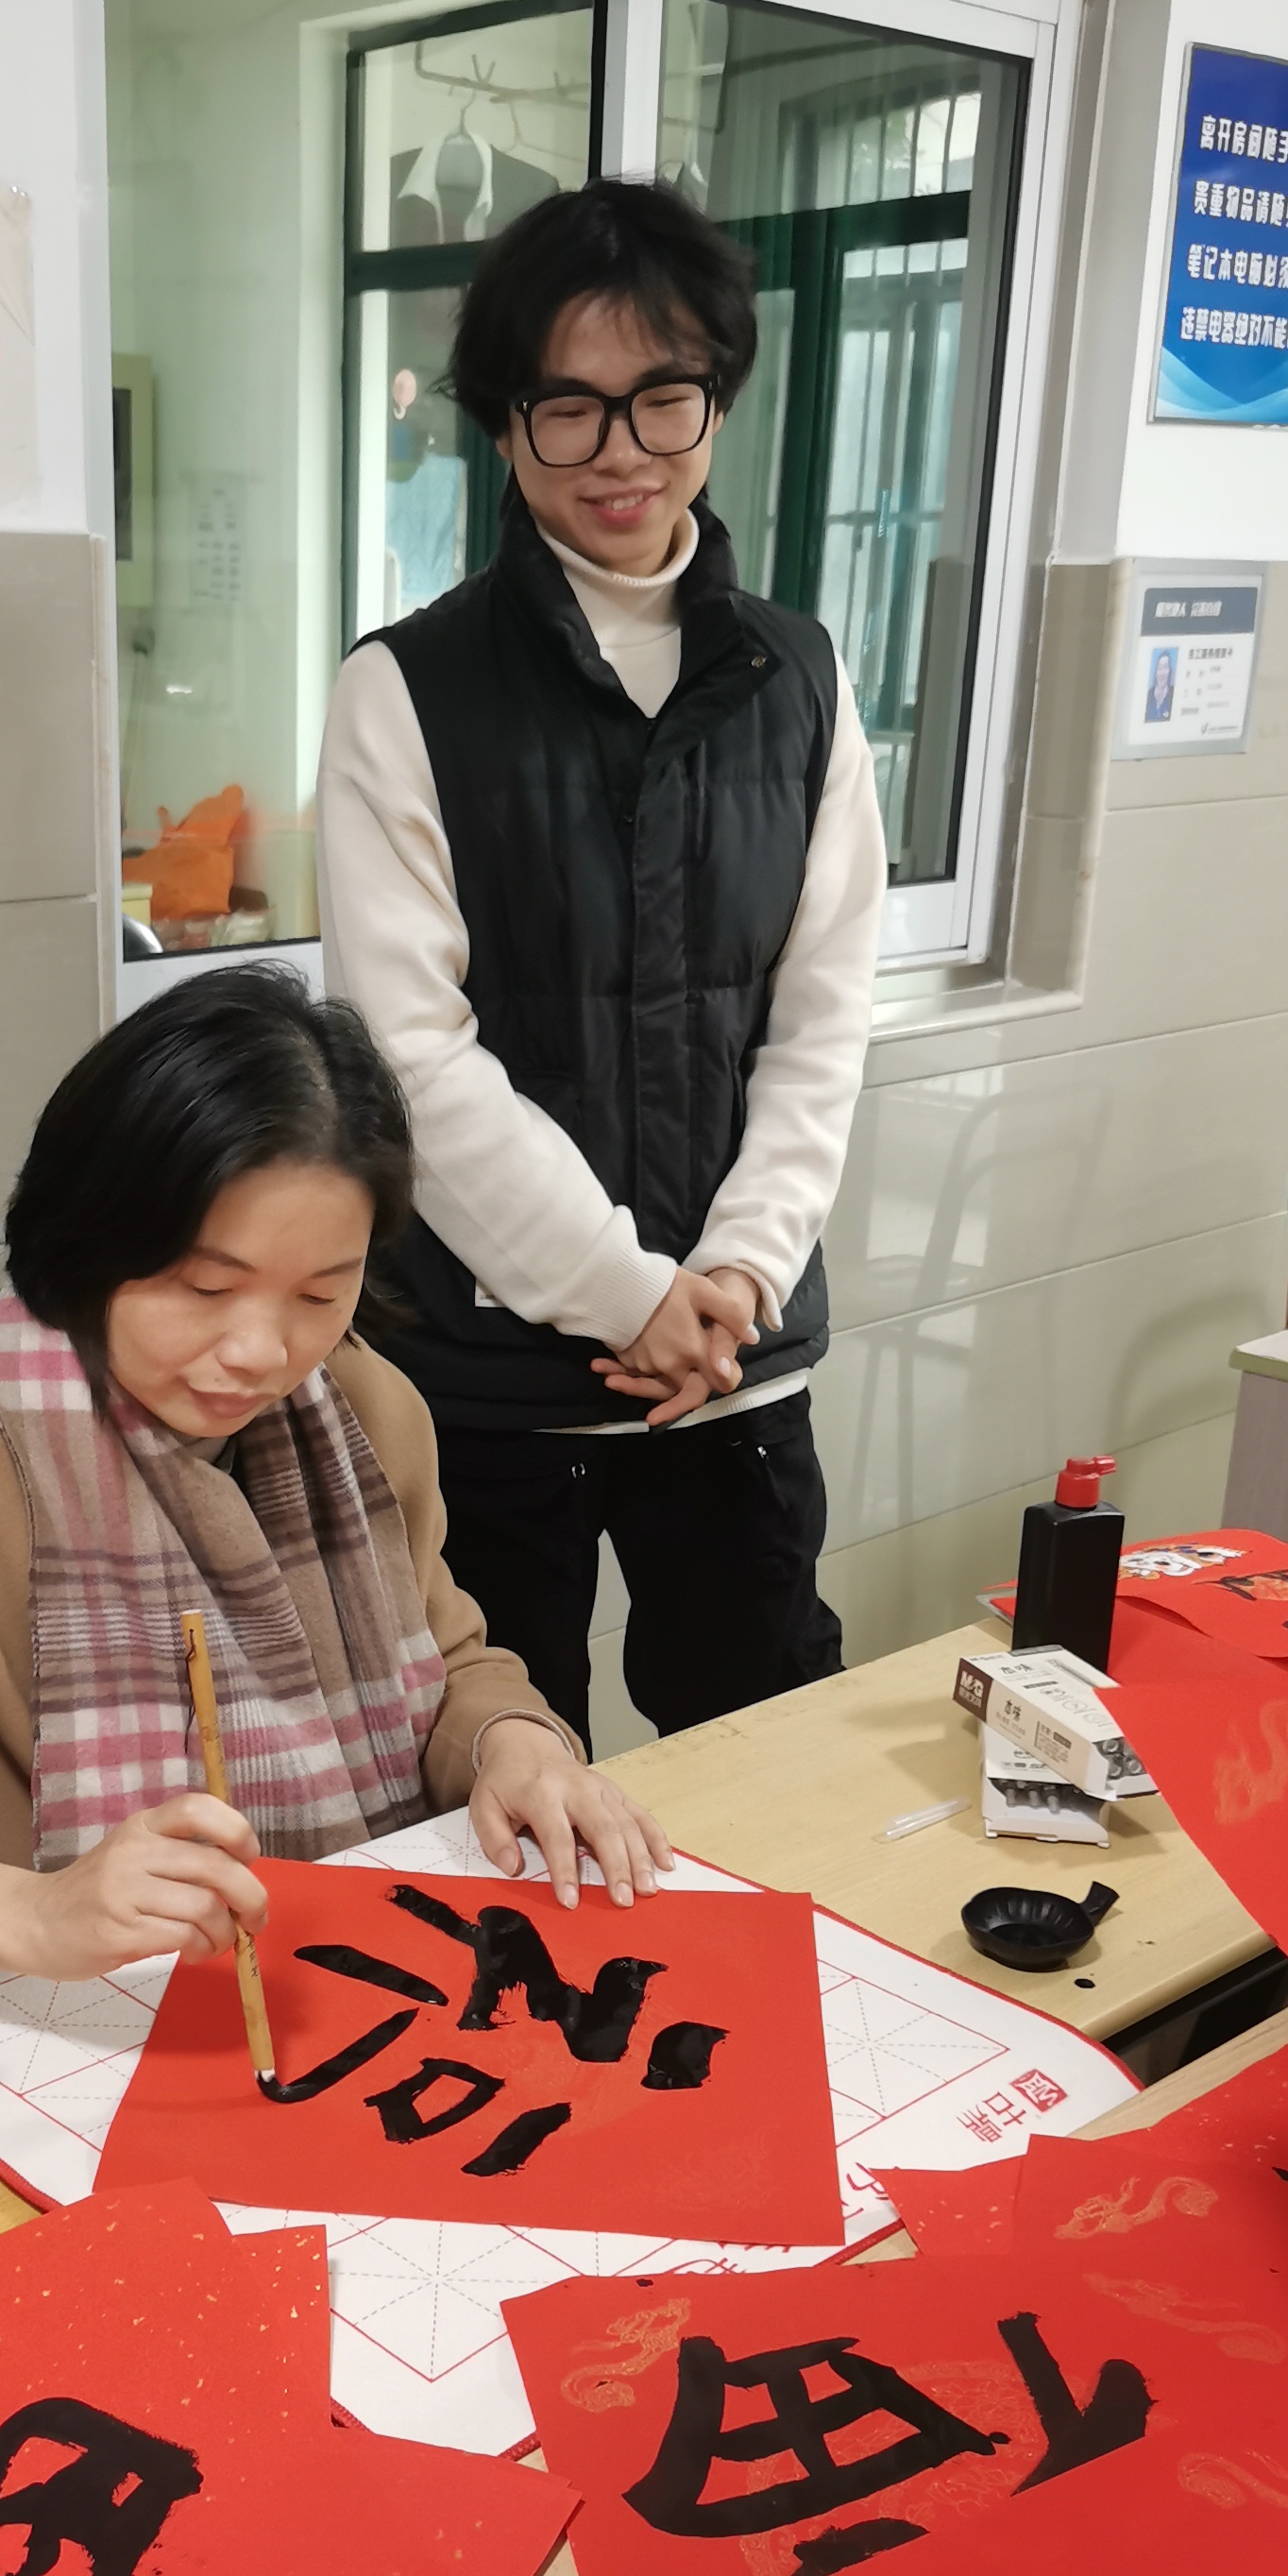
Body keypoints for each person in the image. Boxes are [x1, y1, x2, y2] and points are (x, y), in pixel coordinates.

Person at [0, 965, 671, 2048]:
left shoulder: (363, 1412)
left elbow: (449, 1663)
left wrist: (513, 1745)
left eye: (320, 1293)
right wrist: (32, 1912)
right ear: (91, 1233)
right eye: (205, 1288)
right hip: (24, 2046)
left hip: (350, 2011)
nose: (260, 1351)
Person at [315, 175, 888, 1750]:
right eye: (566, 407)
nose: (620, 449)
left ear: (720, 398)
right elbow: (407, 1052)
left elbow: (823, 1014)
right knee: (492, 1780)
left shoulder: (798, 677)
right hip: (487, 1378)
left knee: (765, 1755)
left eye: (662, 397)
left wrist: (733, 1279)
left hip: (733, 1366)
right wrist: (625, 1292)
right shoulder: (406, 689)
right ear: (503, 428)